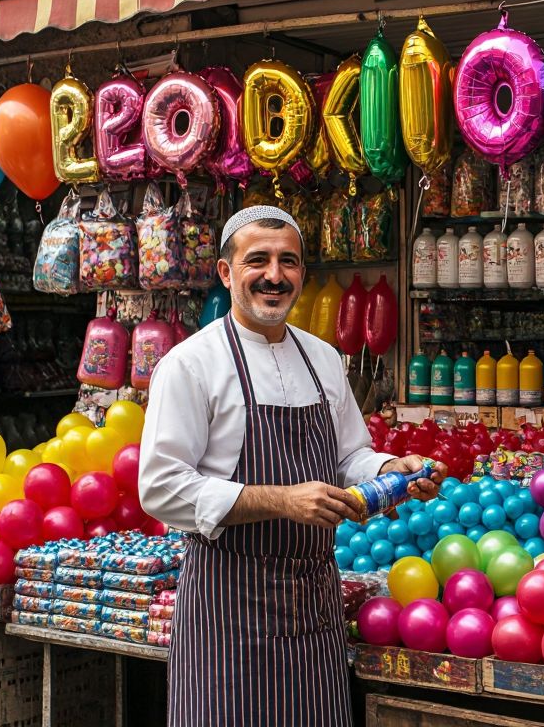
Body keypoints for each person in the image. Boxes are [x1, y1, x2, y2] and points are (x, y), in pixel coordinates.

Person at [139, 205, 444, 727]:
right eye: (257, 260)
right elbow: (161, 487)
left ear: (303, 273)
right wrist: (281, 500)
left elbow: (350, 455)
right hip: (227, 609)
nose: (274, 276)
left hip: (313, 608)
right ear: (225, 272)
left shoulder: (324, 358)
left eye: (289, 262)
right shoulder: (190, 365)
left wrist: (394, 468)